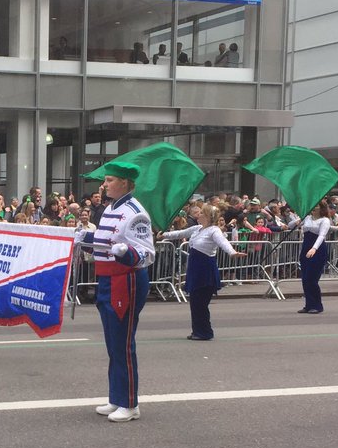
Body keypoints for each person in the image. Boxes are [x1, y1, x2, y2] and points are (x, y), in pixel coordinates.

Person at [75, 163, 155, 422]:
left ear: (124, 182)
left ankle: (130, 403)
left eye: (109, 180)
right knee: (112, 342)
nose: (104, 184)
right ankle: (116, 397)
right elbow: (104, 243)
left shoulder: (135, 212)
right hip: (107, 279)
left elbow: (146, 253)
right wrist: (84, 240)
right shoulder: (111, 208)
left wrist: (127, 253)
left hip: (126, 280)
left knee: (123, 342)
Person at [162, 204, 238, 340]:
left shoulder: (214, 230)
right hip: (195, 269)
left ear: (209, 217)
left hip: (205, 270)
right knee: (195, 302)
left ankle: (205, 332)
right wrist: (163, 235)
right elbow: (180, 233)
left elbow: (223, 242)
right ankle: (198, 331)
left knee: (200, 303)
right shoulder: (197, 228)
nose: (199, 215)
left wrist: (232, 252)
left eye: (202, 213)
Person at [298, 200, 332, 314]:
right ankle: (308, 305)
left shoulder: (325, 220)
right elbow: (291, 225)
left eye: (316, 205)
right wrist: (297, 220)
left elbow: (322, 235)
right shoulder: (307, 218)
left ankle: (317, 306)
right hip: (305, 249)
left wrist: (314, 248)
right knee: (305, 279)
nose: (313, 207)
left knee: (311, 279)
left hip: (317, 250)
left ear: (321, 208)